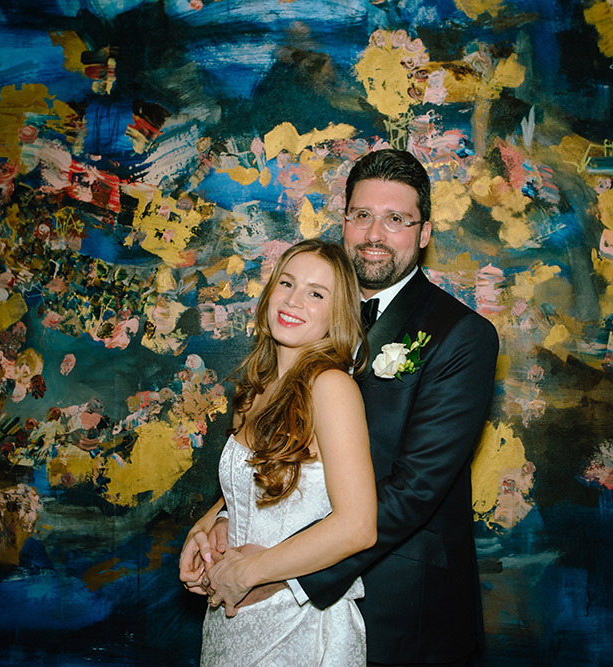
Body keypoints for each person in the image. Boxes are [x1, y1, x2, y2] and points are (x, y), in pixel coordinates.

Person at [185, 148, 499, 666]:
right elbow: (286, 450)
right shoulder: (309, 313)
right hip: (267, 593)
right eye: (362, 215)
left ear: (424, 233)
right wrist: (221, 520)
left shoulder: (461, 335)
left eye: (396, 218)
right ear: (345, 221)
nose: (375, 233)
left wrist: (283, 573)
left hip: (397, 600)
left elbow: (415, 489)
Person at [180, 239, 378, 666]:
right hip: (231, 618)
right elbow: (252, 492)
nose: (293, 300)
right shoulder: (254, 389)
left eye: (315, 293)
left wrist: (247, 572)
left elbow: (358, 526)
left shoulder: (332, 388)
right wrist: (209, 529)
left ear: (336, 314)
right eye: (286, 283)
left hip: (298, 625)